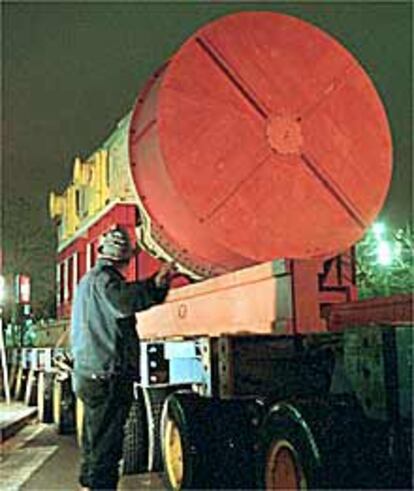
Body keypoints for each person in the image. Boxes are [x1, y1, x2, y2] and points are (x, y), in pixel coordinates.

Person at [70, 226, 176, 490]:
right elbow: (124, 302)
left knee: (95, 440)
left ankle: (88, 484)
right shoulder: (106, 281)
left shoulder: (87, 281)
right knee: (107, 448)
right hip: (106, 375)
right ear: (124, 259)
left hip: (89, 372)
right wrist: (156, 284)